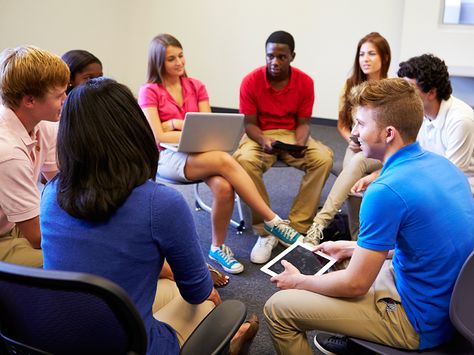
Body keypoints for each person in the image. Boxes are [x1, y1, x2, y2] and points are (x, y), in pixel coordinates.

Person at [40, 77, 259, 355]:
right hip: (134, 346)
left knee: (164, 282)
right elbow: (197, 290)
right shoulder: (161, 203)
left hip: (60, 340)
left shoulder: (50, 193)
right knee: (207, 301)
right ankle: (226, 347)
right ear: (134, 129)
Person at [264, 78, 474, 354]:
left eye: (361, 124)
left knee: (278, 308)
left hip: (419, 323)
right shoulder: (442, 165)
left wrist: (298, 282)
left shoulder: (384, 191)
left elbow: (355, 284)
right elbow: (425, 243)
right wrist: (351, 247)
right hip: (454, 306)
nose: (354, 133)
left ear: (388, 133)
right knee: (339, 260)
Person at [138, 33, 301, 275]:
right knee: (226, 159)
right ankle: (272, 219)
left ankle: (217, 247)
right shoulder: (149, 91)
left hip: (202, 151)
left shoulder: (196, 86)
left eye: (181, 55)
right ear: (158, 62)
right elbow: (158, 137)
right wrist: (176, 127)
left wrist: (173, 123)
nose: (179, 62)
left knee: (224, 187)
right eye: (171, 58)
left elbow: (208, 127)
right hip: (167, 157)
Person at [233, 30, 333, 264]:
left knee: (323, 157)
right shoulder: (250, 81)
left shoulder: (305, 82)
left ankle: (297, 226)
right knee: (243, 161)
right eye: (270, 56)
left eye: (281, 57)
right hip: (259, 135)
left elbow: (303, 124)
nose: (275, 62)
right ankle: (267, 230)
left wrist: (299, 142)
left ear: (292, 56)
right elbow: (249, 124)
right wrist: (263, 140)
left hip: (290, 134)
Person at [305, 32, 390, 244]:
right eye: (362, 54)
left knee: (354, 167)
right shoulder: (350, 85)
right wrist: (353, 140)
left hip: (382, 151)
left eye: (372, 53)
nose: (365, 59)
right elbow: (343, 124)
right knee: (353, 179)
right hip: (356, 146)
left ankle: (320, 223)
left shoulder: (392, 90)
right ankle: (356, 240)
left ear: (384, 58)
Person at [353, 54, 474, 197]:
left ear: (431, 93)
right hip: (428, 173)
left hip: (459, 187)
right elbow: (407, 155)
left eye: (410, 88)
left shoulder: (460, 120)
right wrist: (377, 175)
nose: (404, 95)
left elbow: (449, 176)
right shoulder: (417, 112)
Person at [0, 45, 69, 267]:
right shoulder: (8, 152)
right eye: (59, 95)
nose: (66, 99)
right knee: (73, 261)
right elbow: (37, 237)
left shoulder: (42, 124)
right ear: (29, 101)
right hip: (6, 235)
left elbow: (62, 184)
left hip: (14, 224)